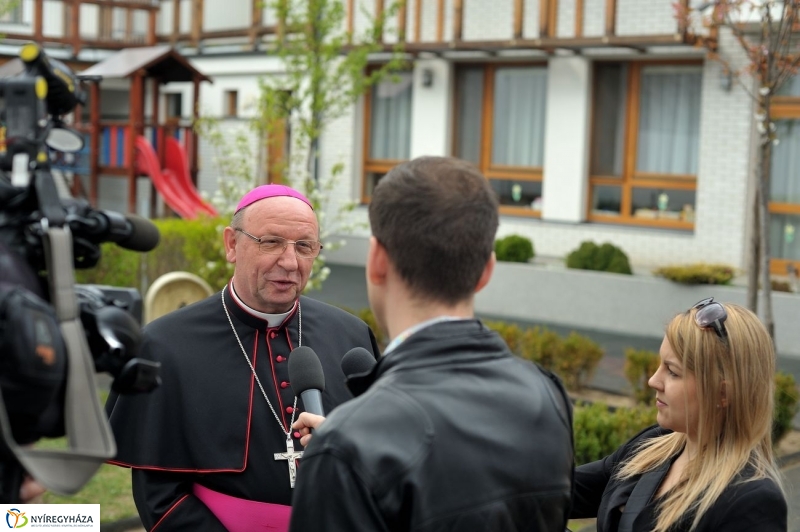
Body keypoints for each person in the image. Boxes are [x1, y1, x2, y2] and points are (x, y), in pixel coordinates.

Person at [289, 156, 575, 531]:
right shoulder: (547, 394)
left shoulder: (347, 448)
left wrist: (344, 453)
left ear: (376, 260)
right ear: (486, 270)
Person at [105, 184, 380, 531]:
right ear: (232, 245)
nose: (290, 262)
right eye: (272, 242)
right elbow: (159, 495)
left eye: (305, 246)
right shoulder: (165, 345)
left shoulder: (351, 336)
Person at [571, 298, 787, 532]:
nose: (653, 381)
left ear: (722, 393)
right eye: (659, 366)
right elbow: (552, 491)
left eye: (672, 372)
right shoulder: (652, 445)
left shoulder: (751, 501)